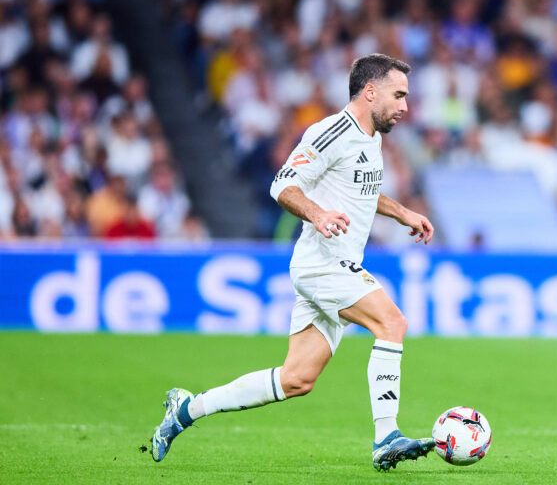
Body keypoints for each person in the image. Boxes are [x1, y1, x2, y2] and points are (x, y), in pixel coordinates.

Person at [150, 54, 436, 471]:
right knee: (392, 323)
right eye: (399, 95)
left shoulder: (371, 138)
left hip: (335, 265)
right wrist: (318, 215)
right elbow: (283, 184)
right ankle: (386, 437)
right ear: (370, 91)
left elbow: (361, 191)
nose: (405, 106)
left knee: (296, 379)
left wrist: (403, 213)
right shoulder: (331, 132)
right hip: (321, 264)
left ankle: (186, 409)